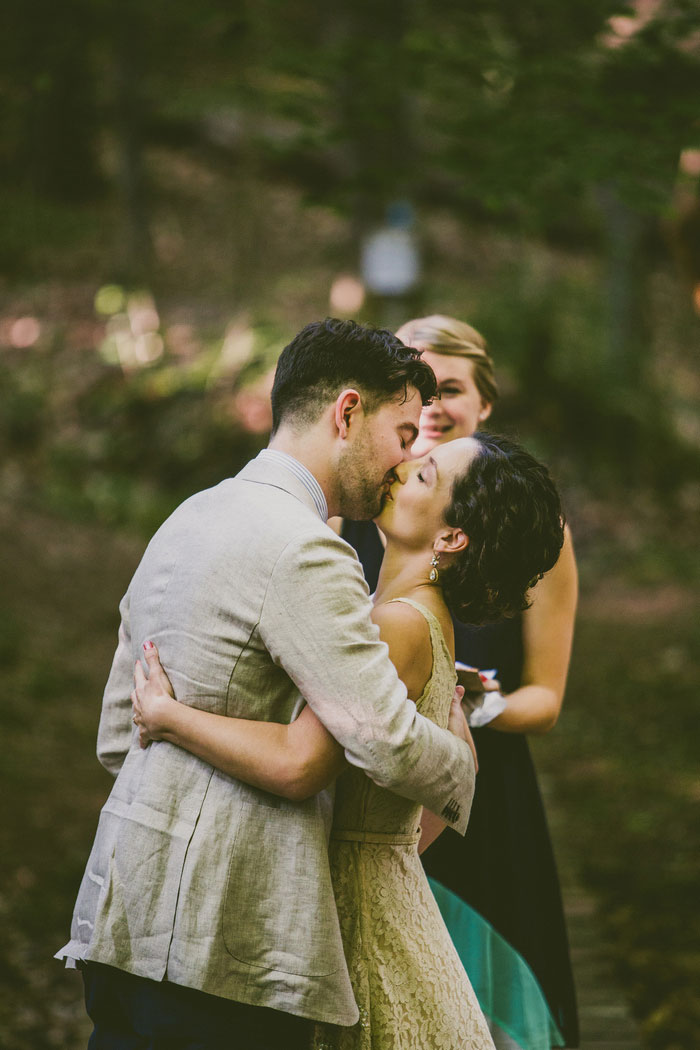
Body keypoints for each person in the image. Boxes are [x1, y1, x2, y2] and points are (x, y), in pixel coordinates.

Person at [56, 318, 481, 1050]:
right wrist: (462, 762)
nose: (407, 457)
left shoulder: (185, 520)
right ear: (347, 412)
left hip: (120, 913)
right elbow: (374, 737)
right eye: (403, 432)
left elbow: (117, 736)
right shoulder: (308, 550)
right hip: (227, 941)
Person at [131, 432, 566, 1050]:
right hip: (383, 889)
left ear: (451, 538)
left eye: (424, 475)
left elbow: (296, 758)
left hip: (351, 912)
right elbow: (438, 790)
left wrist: (168, 716)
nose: (403, 465)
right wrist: (387, 844)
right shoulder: (409, 615)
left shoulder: (395, 627)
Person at [342, 315, 579, 1050]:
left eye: (449, 387)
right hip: (384, 793)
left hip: (481, 791)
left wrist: (471, 705)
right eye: (415, 388)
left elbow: (547, 694)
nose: (431, 404)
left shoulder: (530, 530)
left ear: (484, 405)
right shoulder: (359, 506)